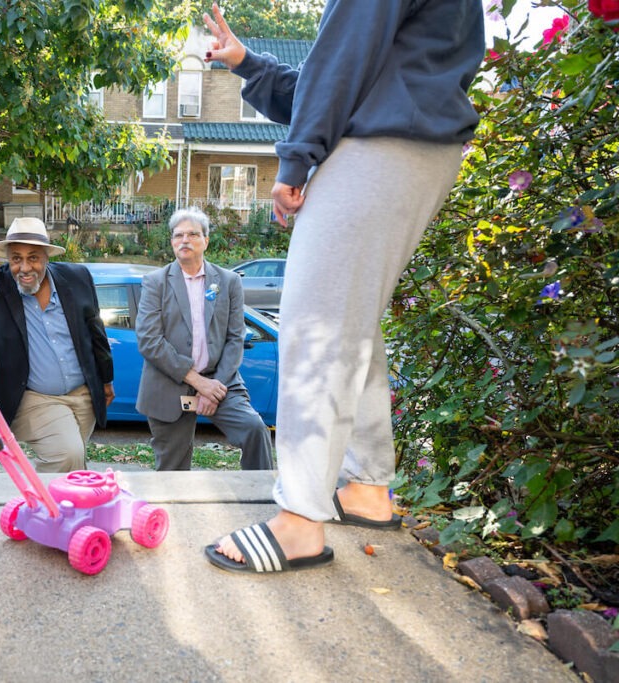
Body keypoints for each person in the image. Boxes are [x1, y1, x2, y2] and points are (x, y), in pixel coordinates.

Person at [201, 1, 484, 573]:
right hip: (410, 144)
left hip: (380, 146)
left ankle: (301, 520)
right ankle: (366, 488)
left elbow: (343, 63)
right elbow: (359, 75)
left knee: (318, 324)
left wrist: (296, 159)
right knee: (350, 320)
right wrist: (251, 66)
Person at [135, 207, 272, 472]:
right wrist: (199, 383)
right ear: (172, 242)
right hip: (168, 383)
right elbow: (149, 340)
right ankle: (172, 512)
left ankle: (262, 498)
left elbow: (235, 338)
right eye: (178, 235)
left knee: (255, 430)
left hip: (220, 380)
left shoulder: (229, 282)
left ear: (206, 241)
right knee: (172, 469)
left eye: (192, 234)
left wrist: (214, 385)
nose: (184, 240)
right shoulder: (155, 282)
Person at [0, 217, 114, 473]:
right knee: (67, 454)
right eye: (16, 258)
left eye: (33, 257)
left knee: (74, 463)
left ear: (47, 257)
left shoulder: (77, 278)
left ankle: (65, 508)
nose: (24, 267)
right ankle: (47, 509)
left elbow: (96, 332)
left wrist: (106, 380)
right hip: (32, 397)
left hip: (82, 394)